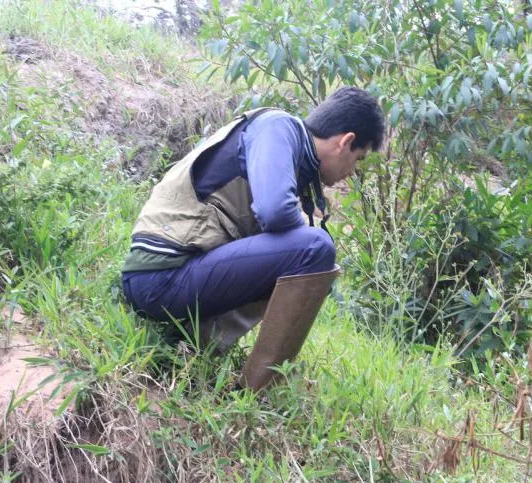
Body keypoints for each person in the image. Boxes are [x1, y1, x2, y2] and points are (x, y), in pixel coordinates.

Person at [121, 87, 385, 390]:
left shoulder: (296, 158)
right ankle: (255, 390)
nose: (352, 172)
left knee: (311, 254)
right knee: (315, 248)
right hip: (161, 276)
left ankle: (190, 345)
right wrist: (306, 242)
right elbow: (275, 211)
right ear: (345, 141)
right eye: (358, 159)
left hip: (172, 276)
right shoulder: (278, 127)